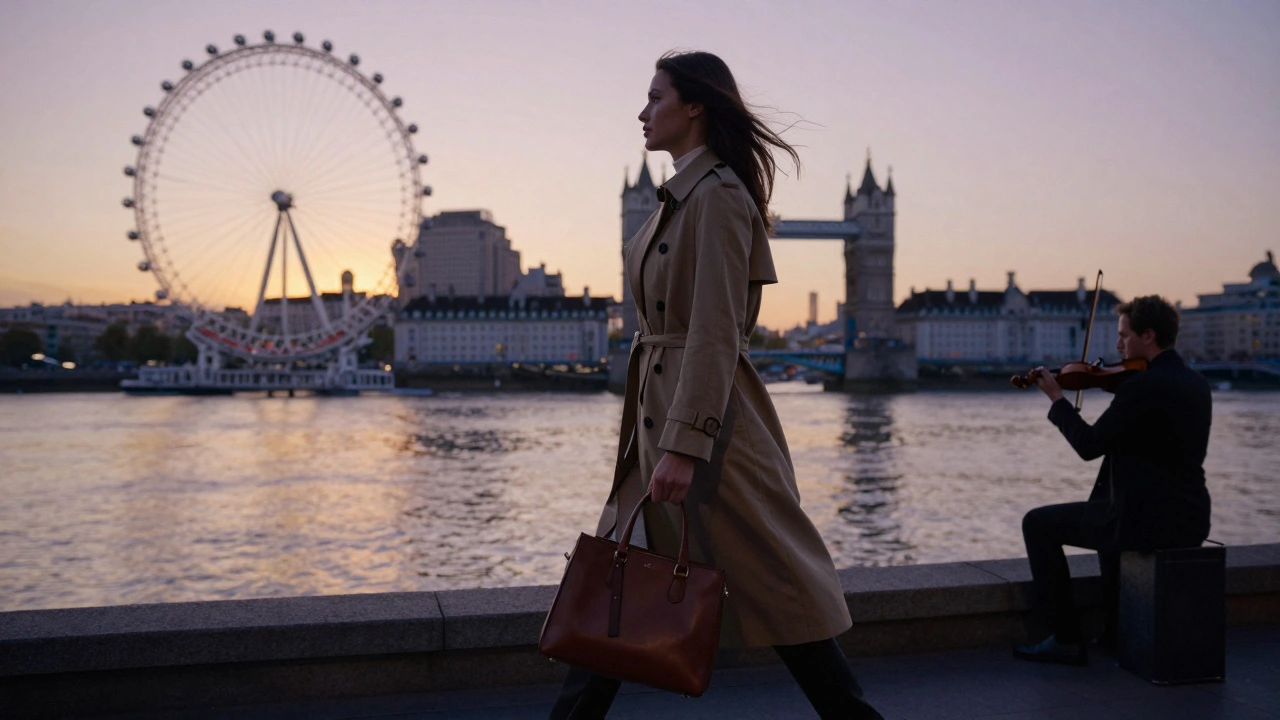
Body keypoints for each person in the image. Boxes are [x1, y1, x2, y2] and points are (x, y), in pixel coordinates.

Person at [548, 51, 883, 720]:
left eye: (655, 97)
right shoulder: (679, 198)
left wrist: (684, 444)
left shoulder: (720, 197)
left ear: (695, 105)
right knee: (620, 578)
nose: (642, 112)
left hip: (707, 434)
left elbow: (716, 330)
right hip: (659, 423)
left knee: (781, 590)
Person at [1015, 295, 1212, 666]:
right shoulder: (1197, 384)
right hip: (1191, 517)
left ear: (1148, 336)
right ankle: (1114, 632)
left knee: (1038, 524)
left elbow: (1089, 445)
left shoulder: (1140, 387)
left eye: (1124, 335)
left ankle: (1065, 638)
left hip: (1147, 521)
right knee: (1105, 515)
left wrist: (1057, 400)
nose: (1118, 345)